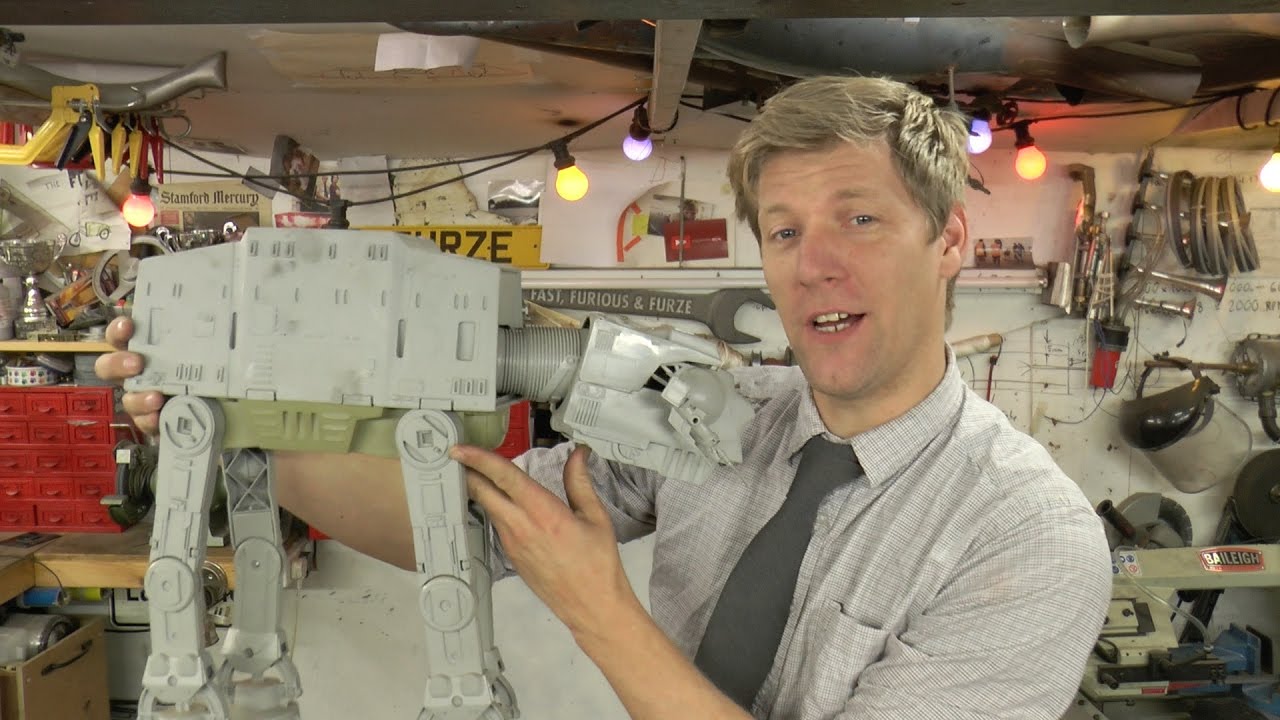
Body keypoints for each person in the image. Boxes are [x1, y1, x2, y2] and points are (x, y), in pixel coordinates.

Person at [97, 75, 1112, 719]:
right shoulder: (723, 411)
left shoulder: (1027, 540)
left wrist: (597, 609)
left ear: (948, 240)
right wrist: (223, 418)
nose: (815, 266)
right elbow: (457, 517)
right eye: (785, 231)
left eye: (859, 219)